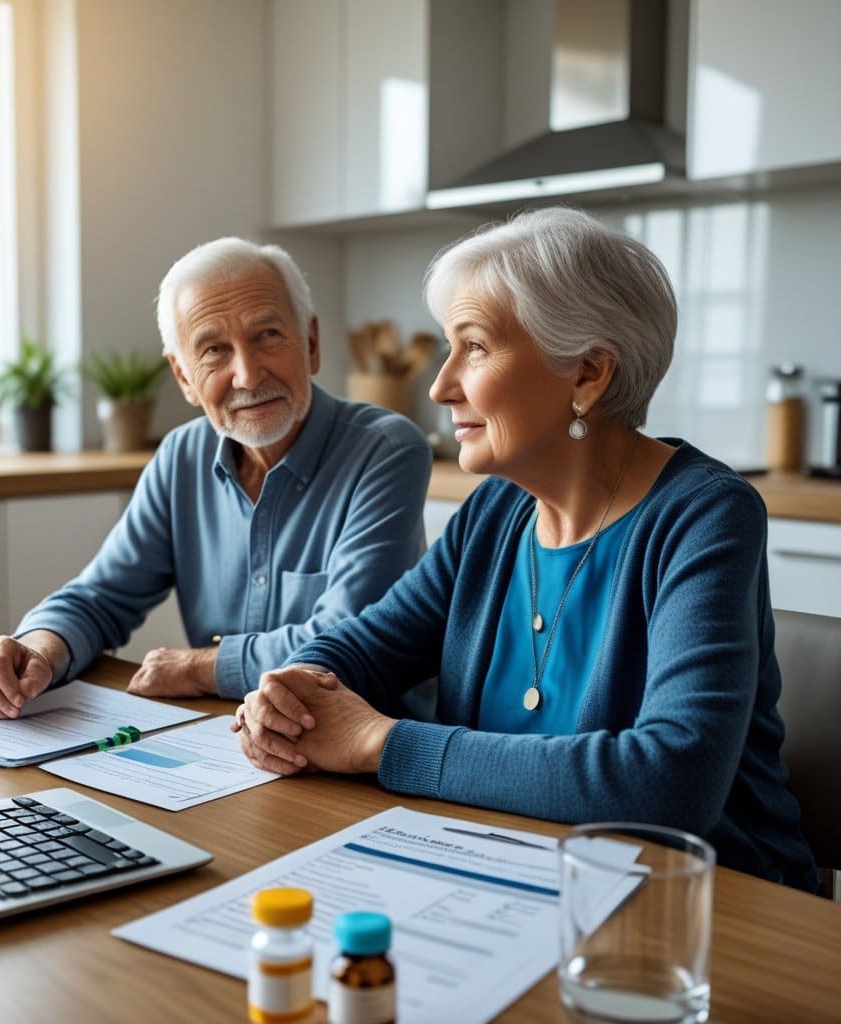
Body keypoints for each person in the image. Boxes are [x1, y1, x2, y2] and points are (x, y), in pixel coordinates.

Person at [234, 207, 820, 892]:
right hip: (509, 875)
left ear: (588, 374)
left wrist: (380, 743)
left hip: (707, 907)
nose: (439, 384)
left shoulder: (704, 516)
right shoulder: (496, 510)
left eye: (474, 347)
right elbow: (363, 648)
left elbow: (669, 783)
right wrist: (290, 692)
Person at [0, 237, 432, 719]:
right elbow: (101, 597)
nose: (247, 375)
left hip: (365, 750)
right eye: (214, 350)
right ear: (184, 376)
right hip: (232, 741)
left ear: (310, 343)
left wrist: (197, 668)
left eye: (268, 335)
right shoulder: (180, 456)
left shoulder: (387, 449)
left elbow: (347, 641)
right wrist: (38, 649)